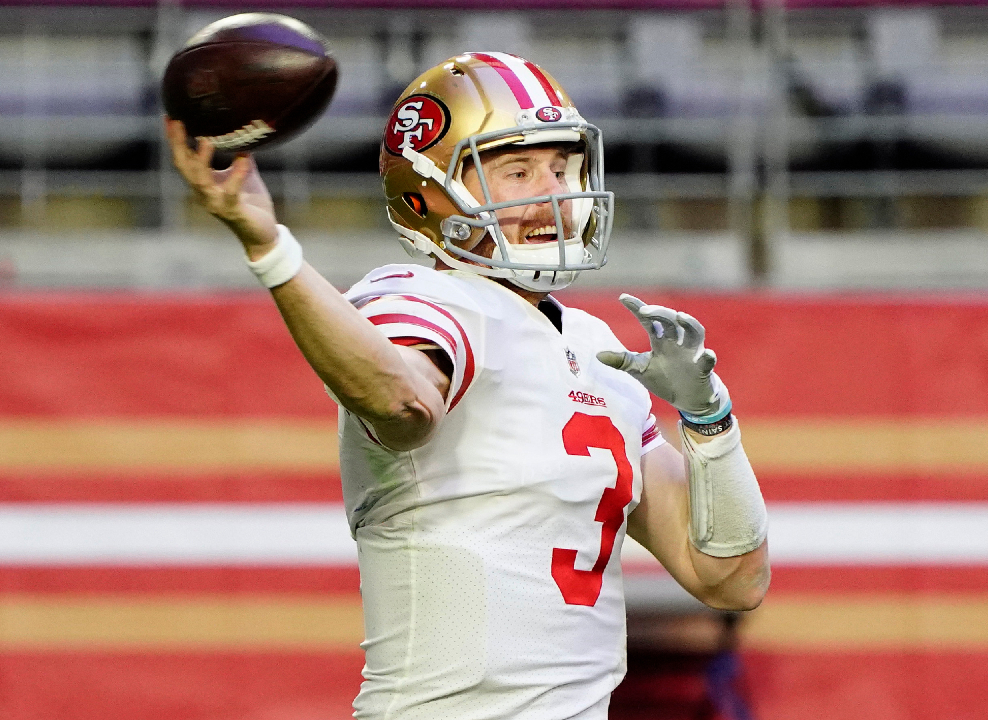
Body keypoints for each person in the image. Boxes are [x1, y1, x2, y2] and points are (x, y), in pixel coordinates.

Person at [166, 50, 769, 720]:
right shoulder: (424, 297)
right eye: (517, 170)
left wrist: (711, 421)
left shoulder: (597, 349)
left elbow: (731, 578)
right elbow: (403, 401)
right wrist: (271, 247)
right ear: (427, 193)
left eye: (563, 166)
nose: (556, 194)